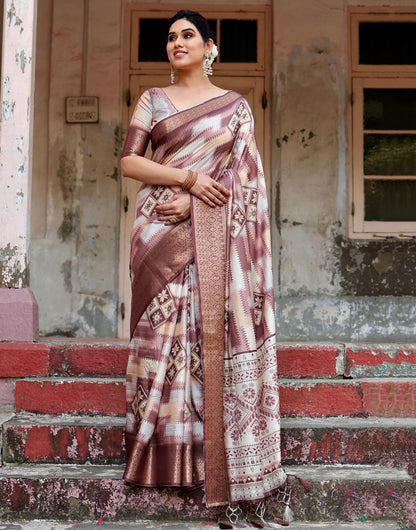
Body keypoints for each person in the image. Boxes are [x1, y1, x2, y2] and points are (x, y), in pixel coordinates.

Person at [120, 10, 308, 529]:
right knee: (160, 340)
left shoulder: (236, 109)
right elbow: (130, 163)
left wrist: (200, 204)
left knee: (209, 341)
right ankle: (157, 452)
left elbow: (244, 184)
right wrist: (187, 181)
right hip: (157, 232)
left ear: (209, 46)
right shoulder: (152, 99)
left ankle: (215, 464)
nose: (176, 43)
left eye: (187, 36)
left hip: (211, 237)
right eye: (170, 37)